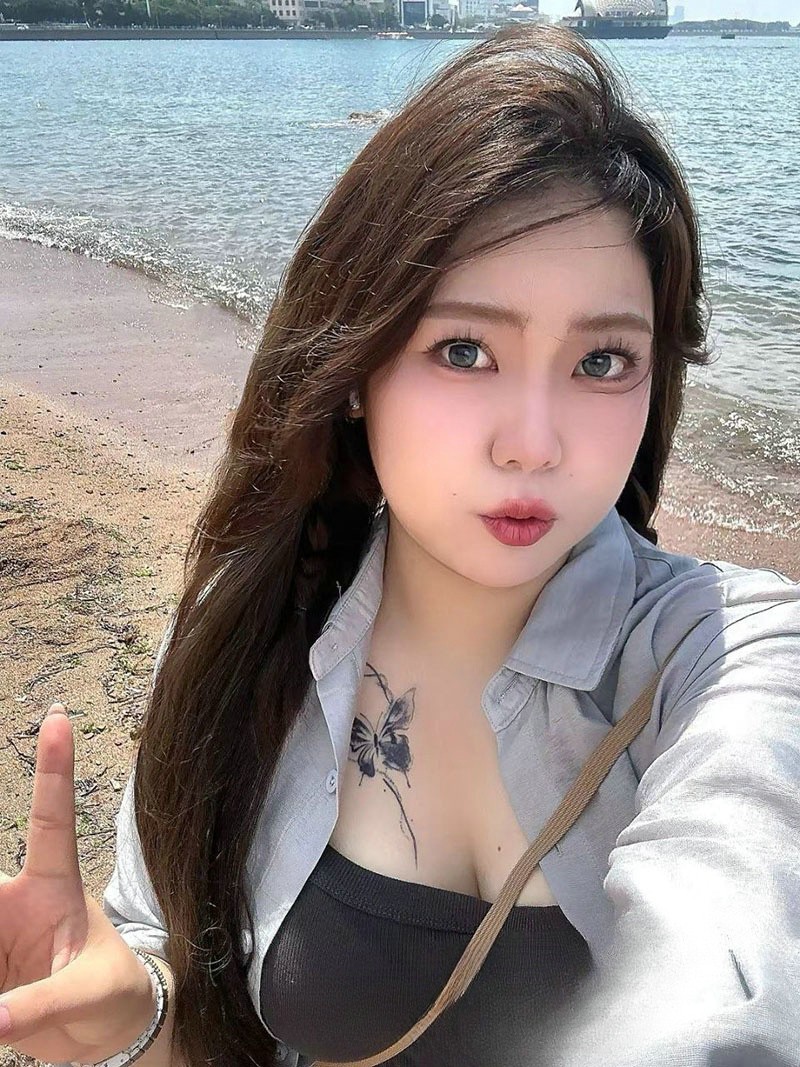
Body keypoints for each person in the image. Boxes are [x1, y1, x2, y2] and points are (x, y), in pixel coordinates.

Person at [2, 21, 799, 1067]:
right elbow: (178, 977)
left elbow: (730, 959)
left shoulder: (727, 657)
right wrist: (135, 1016)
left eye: (602, 361)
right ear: (355, 366)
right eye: (464, 349)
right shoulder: (245, 636)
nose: (533, 443)